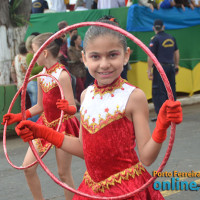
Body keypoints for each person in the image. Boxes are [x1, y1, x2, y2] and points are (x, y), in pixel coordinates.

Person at [15, 20, 182, 199]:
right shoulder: (86, 95)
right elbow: (83, 149)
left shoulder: (134, 97)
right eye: (95, 57)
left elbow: (147, 158)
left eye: (112, 55)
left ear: (125, 55)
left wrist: (161, 127)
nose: (104, 64)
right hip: (91, 189)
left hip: (127, 189)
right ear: (84, 58)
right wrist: (42, 132)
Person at [2, 33, 79, 200]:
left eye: (35, 51)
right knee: (28, 168)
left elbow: (73, 107)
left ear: (44, 53)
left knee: (63, 174)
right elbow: (39, 106)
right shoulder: (41, 75)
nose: (32, 55)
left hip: (62, 126)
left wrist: (68, 108)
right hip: (44, 124)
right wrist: (18, 116)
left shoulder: (62, 75)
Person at [147, 19, 180, 121]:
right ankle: (173, 114)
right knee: (171, 90)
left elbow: (151, 55)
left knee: (158, 91)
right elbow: (176, 53)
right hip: (171, 67)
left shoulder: (155, 39)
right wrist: (176, 65)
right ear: (163, 27)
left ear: (153, 28)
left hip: (160, 68)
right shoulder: (171, 37)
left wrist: (149, 70)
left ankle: (161, 116)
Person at [25, 35, 44, 122]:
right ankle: (31, 126)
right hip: (34, 83)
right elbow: (32, 70)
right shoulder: (30, 55)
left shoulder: (33, 54)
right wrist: (44, 65)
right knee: (35, 108)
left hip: (35, 83)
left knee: (35, 107)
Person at [67, 34, 86, 104]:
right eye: (79, 39)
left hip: (83, 71)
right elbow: (73, 58)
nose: (81, 40)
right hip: (75, 72)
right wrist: (80, 59)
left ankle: (82, 103)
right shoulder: (70, 49)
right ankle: (79, 103)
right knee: (80, 88)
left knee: (83, 87)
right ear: (75, 41)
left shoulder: (81, 48)